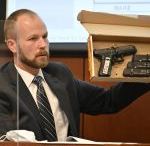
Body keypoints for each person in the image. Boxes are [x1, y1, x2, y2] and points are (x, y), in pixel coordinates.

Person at [0, 9, 149, 142]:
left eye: (45, 36)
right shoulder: (3, 86)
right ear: (12, 45)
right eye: (33, 39)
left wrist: (144, 71)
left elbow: (108, 100)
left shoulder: (60, 74)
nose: (43, 44)